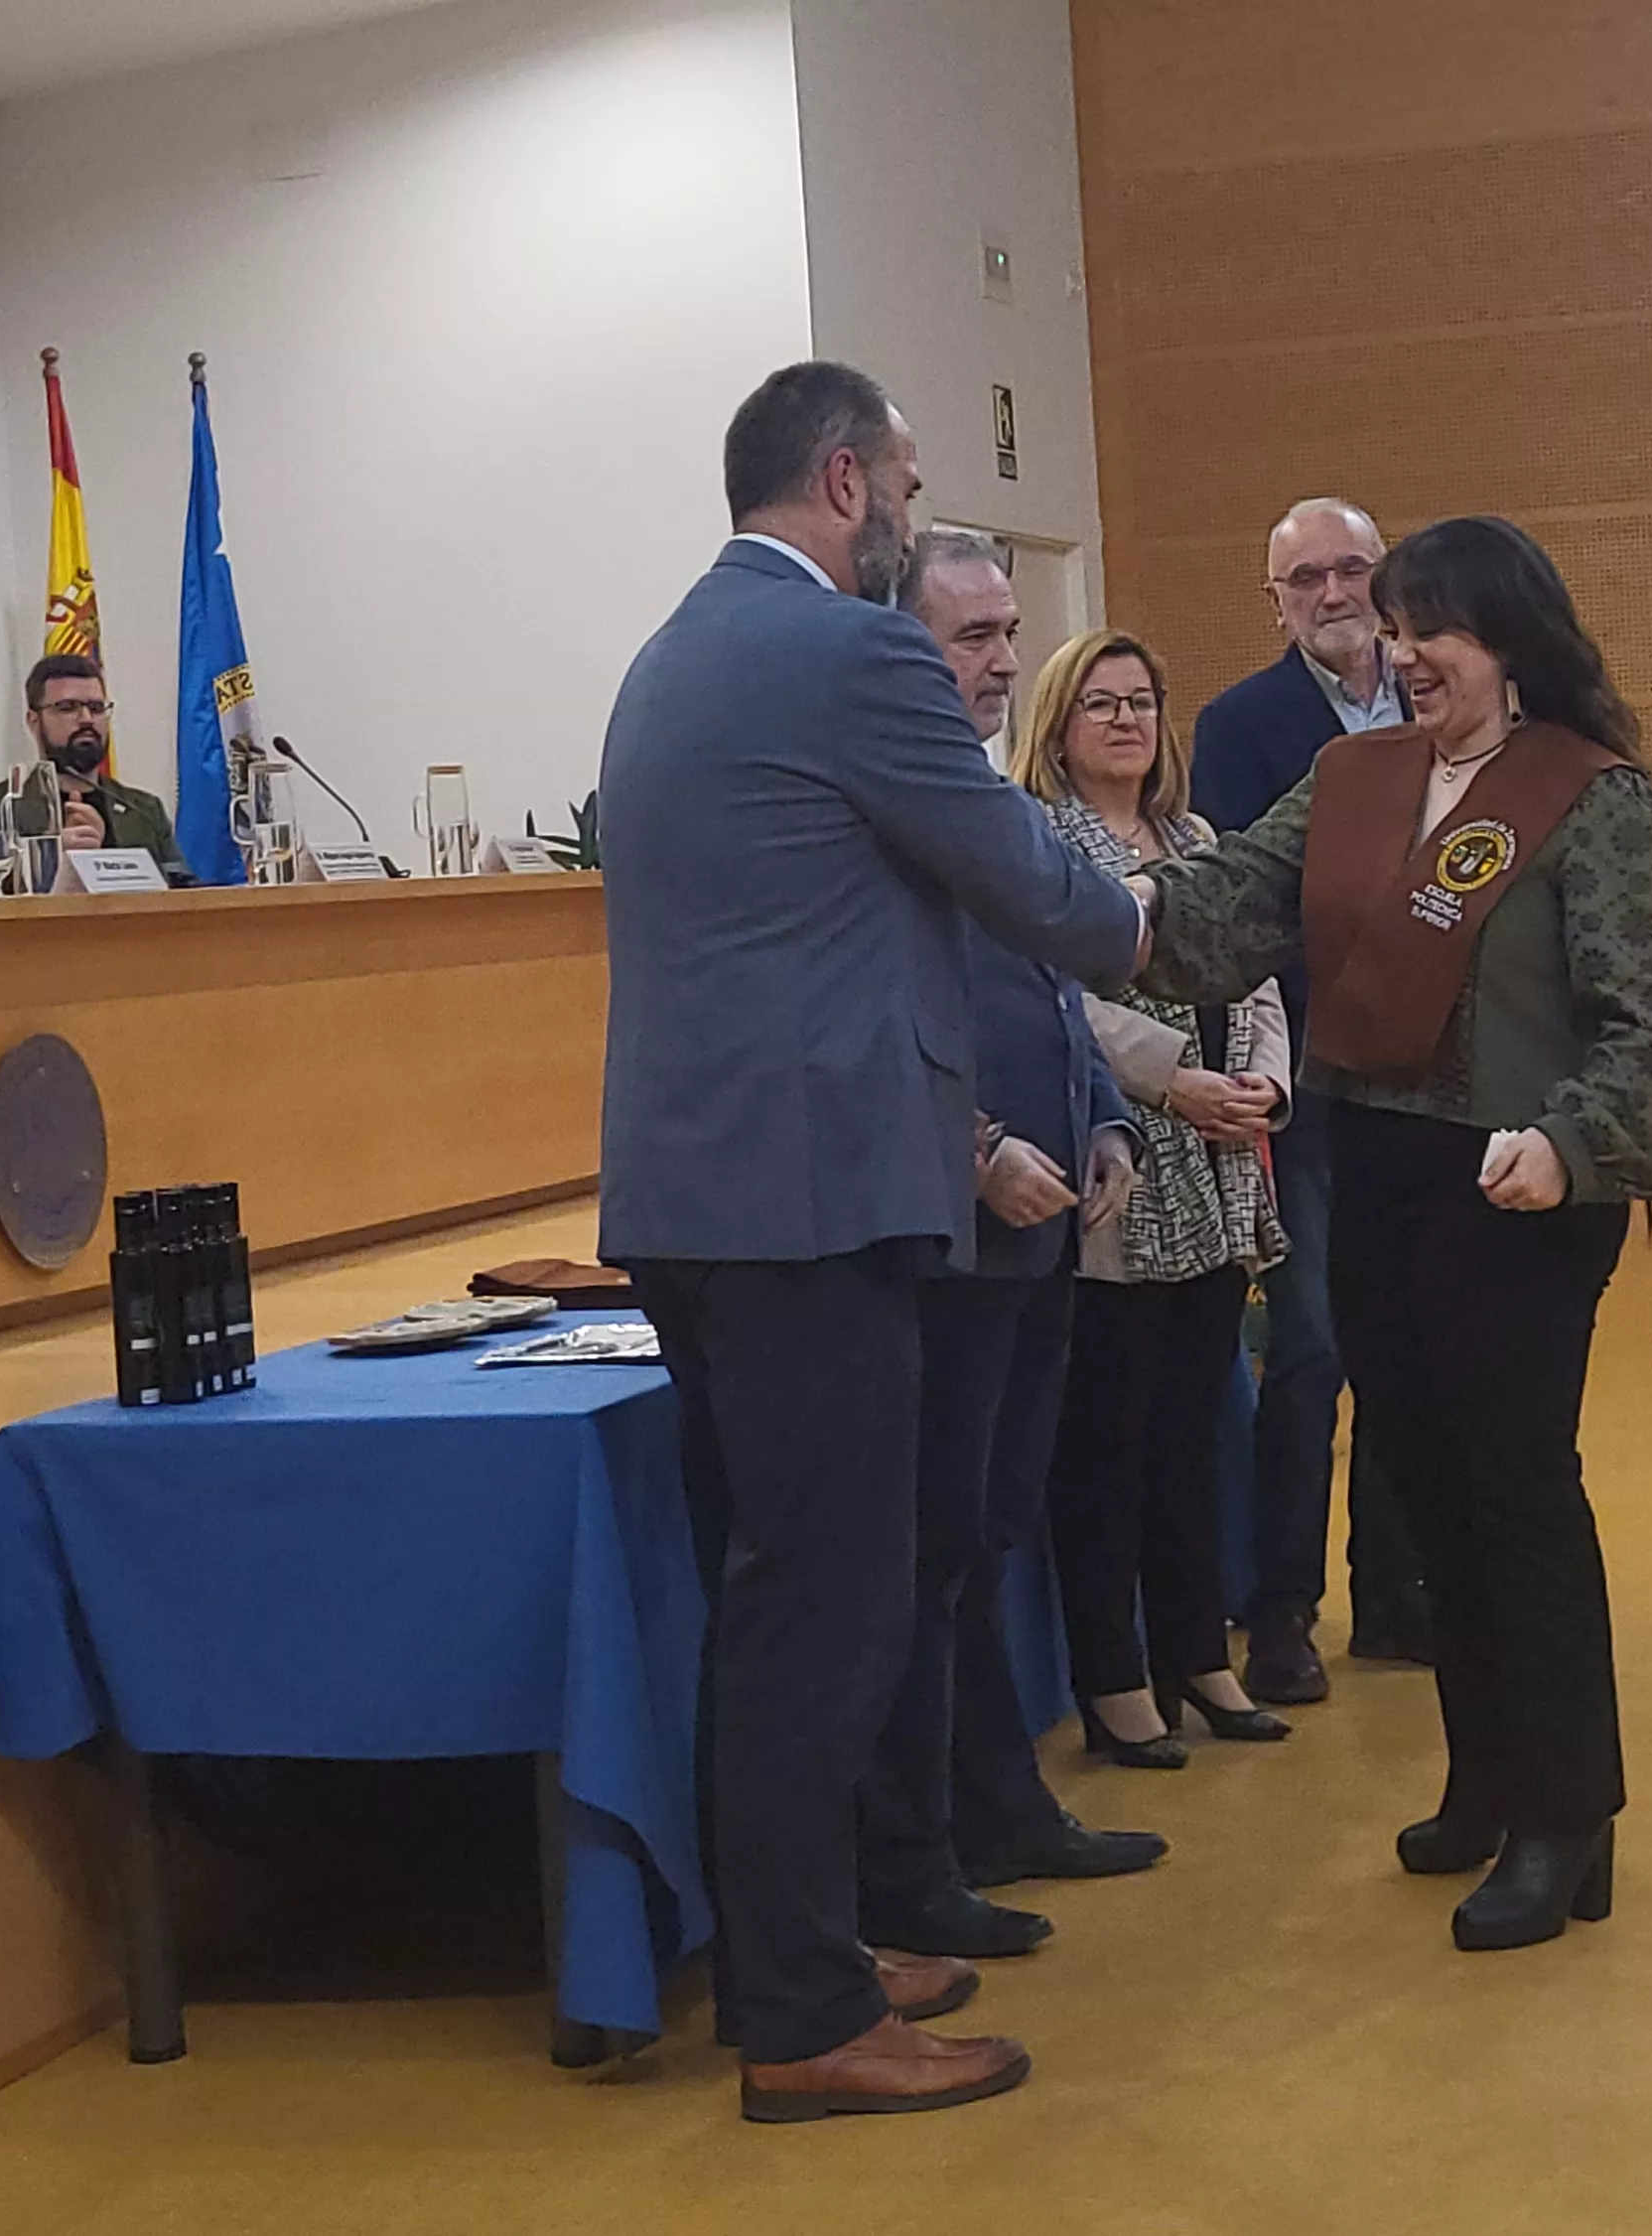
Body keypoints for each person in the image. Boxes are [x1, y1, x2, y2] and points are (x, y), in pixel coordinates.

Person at [598, 361, 1143, 2123]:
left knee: (780, 1593)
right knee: (824, 1609)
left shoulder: (676, 647)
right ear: (845, 482)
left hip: (705, 1197)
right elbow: (1031, 884)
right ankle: (805, 2017)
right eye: (904, 478)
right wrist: (1156, 918)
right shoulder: (850, 651)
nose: (913, 507)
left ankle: (803, 1945)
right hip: (814, 1200)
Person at [1131, 516, 1652, 1952]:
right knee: (1427, 1493)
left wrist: (1570, 1143)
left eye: (1427, 629)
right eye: (1394, 632)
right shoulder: (1355, 778)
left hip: (1521, 1186)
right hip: (1373, 1165)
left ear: (1508, 638)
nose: (1401, 655)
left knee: (1517, 1494)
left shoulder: (1593, 800)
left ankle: (1569, 1811)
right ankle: (1487, 1776)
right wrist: (1092, 904)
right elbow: (1223, 909)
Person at [857, 527, 1170, 1963]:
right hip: (954, 1233)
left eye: (1004, 632)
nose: (999, 661)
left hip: (1050, 1228)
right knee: (932, 1550)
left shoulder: (995, 801)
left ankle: (1000, 1805)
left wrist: (1105, 1121)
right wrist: (980, 1149)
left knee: (988, 1537)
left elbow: (1053, 994)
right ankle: (924, 1849)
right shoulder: (889, 811)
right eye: (970, 635)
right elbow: (887, 1018)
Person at [1015, 629, 1300, 1768]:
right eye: (1101, 702)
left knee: (1195, 1436)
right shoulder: (1040, 847)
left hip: (1221, 1165)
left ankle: (1197, 1656)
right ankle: (1114, 1679)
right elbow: (1052, 1001)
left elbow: (1257, 970)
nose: (1126, 720)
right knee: (1109, 1443)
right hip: (1123, 1161)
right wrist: (1170, 1079)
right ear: (1057, 724)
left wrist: (1264, 1082)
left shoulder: (1197, 841)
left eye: (1141, 700)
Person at [1190, 497, 1432, 1695]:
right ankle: (1281, 1605)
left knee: (1411, 1338)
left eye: (1350, 571)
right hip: (1312, 1075)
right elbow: (1239, 902)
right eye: (1306, 580)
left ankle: (1396, 1591)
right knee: (1308, 1344)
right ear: (1275, 602)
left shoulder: (1442, 699)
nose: (1332, 594)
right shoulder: (1239, 727)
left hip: (1434, 1079)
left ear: (1385, 580)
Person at [0, 653, 185, 873]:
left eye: (96, 708)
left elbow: (180, 885)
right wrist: (51, 856)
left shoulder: (144, 811)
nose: (86, 719)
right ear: (33, 720)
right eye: (68, 707)